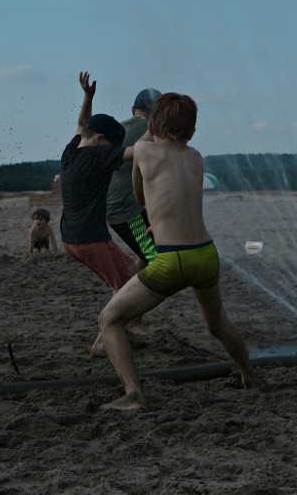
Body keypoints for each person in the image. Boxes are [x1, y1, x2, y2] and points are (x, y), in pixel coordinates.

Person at [97, 92, 266, 410]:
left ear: (153, 123)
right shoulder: (196, 156)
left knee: (108, 320)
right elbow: (175, 199)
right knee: (218, 324)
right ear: (192, 130)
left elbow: (141, 198)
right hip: (205, 254)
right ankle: (250, 377)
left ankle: (133, 395)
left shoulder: (145, 151)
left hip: (171, 258)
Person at [60, 72, 147, 356]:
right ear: (100, 140)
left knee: (132, 272)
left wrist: (87, 97)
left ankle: (122, 329)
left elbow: (79, 124)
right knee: (124, 288)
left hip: (74, 237)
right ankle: (104, 339)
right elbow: (139, 152)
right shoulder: (99, 155)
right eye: (112, 147)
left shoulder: (71, 151)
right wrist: (159, 126)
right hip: (95, 236)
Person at [106, 88, 162, 335]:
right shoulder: (152, 131)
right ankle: (126, 317)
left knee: (146, 254)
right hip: (127, 211)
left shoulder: (117, 129)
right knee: (156, 261)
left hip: (119, 207)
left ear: (133, 110)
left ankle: (131, 317)